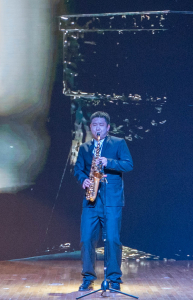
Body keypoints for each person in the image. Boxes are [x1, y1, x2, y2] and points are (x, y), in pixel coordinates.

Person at [73, 111, 133, 292]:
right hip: (91, 200)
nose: (98, 128)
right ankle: (88, 277)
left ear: (107, 127)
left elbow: (128, 164)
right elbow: (78, 169)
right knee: (86, 239)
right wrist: (83, 179)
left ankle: (114, 278)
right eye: (94, 125)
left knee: (113, 239)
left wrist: (109, 162)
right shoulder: (85, 148)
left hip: (112, 200)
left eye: (101, 125)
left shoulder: (118, 143)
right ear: (91, 127)